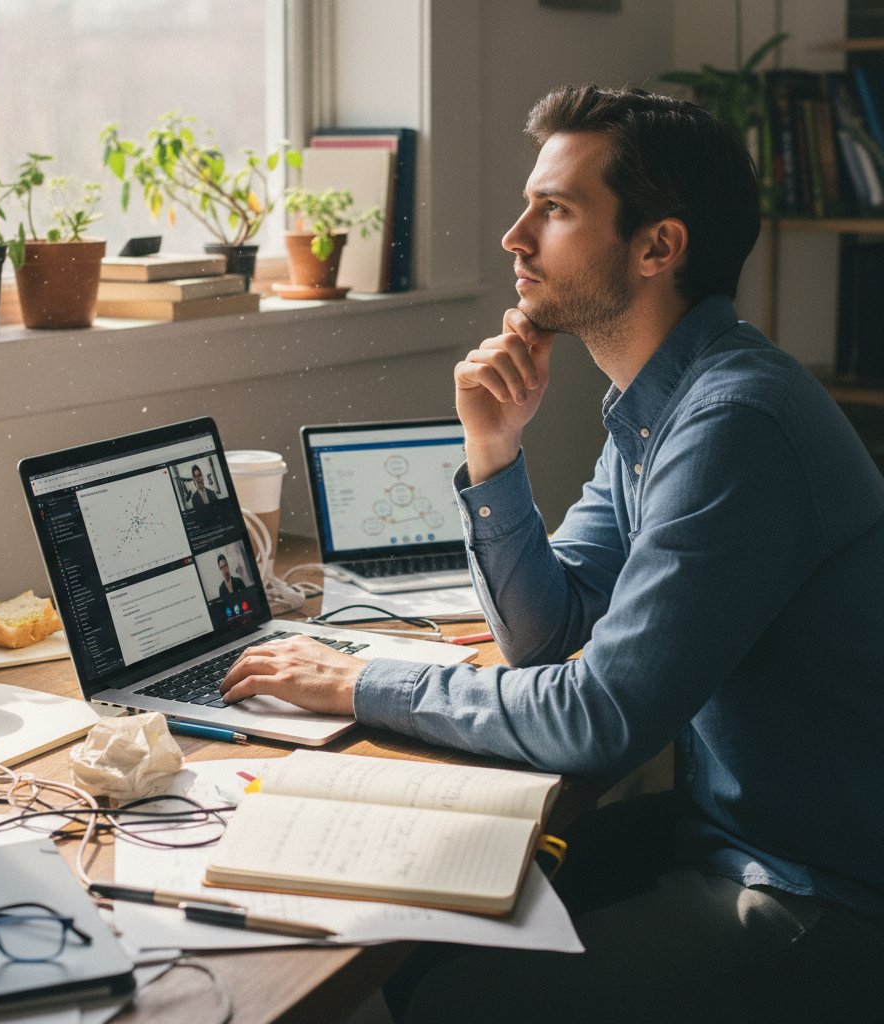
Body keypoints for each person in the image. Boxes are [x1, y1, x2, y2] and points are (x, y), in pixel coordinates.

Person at [220, 83, 884, 1021]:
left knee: (444, 997)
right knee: (410, 948)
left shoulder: (735, 422)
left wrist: (358, 682)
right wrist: (493, 451)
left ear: (659, 247)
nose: (516, 236)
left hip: (821, 892)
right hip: (727, 833)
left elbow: (600, 714)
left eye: (556, 209)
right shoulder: (664, 404)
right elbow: (551, 630)